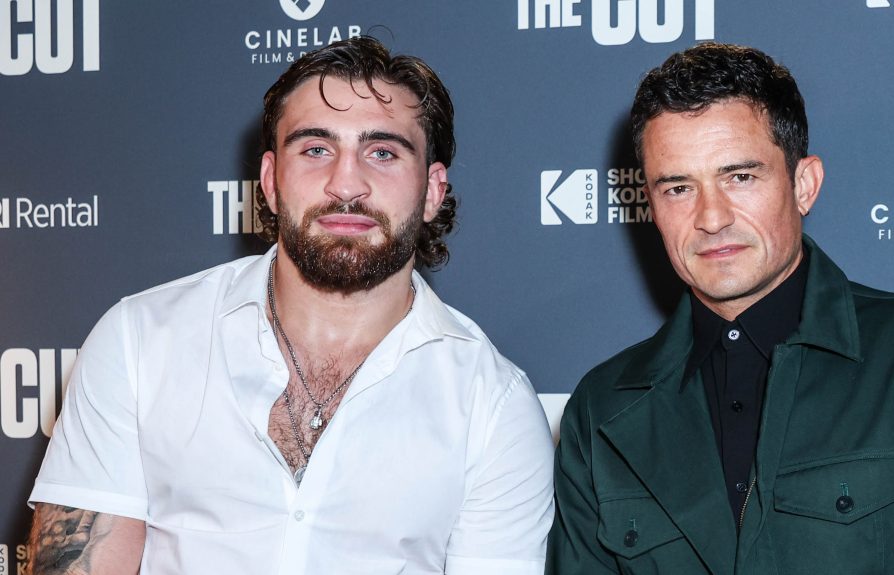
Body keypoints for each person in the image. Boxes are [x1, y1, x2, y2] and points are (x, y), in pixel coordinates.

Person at [28, 36, 554, 574]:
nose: (346, 183)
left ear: (432, 191)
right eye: (316, 149)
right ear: (271, 181)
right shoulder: (139, 341)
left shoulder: (493, 406)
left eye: (382, 152)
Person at [546, 42, 894, 574]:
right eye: (678, 188)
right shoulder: (602, 411)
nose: (711, 218)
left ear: (803, 185)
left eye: (740, 177)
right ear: (651, 206)